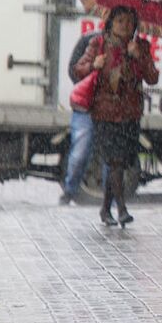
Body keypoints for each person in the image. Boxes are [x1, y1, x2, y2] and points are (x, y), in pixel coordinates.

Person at [75, 6, 159, 227]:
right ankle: (121, 209)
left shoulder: (140, 46)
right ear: (110, 23)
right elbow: (79, 69)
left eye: (130, 22)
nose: (125, 26)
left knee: (121, 162)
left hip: (130, 113)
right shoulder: (99, 44)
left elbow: (152, 77)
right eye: (120, 21)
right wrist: (94, 64)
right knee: (115, 161)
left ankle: (105, 209)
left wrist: (139, 57)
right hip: (104, 112)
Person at [59, 30, 102, 205]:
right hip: (87, 108)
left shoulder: (128, 47)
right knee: (79, 154)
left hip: (113, 110)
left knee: (113, 159)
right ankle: (70, 190)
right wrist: (93, 67)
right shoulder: (90, 42)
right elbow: (74, 71)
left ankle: (113, 200)